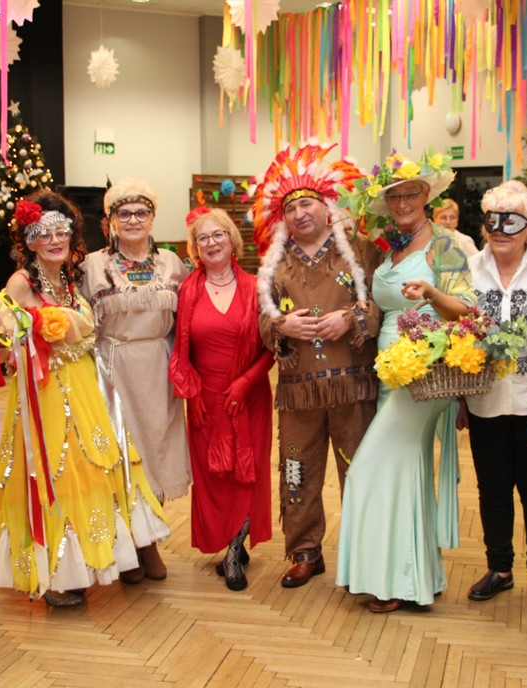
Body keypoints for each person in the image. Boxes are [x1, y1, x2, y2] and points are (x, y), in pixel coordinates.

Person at [0, 191, 169, 607]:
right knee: (59, 474)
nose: (53, 240)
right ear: (29, 241)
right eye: (42, 233)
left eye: (60, 231)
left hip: (86, 386)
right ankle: (58, 575)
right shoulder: (21, 281)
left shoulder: (69, 277)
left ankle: (98, 561)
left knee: (96, 469)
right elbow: (7, 332)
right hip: (46, 394)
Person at [336, 151, 475, 613]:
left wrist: (432, 294)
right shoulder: (393, 246)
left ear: (427, 194)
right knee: (404, 470)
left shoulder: (445, 246)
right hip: (388, 371)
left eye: (410, 193)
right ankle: (412, 577)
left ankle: (391, 577)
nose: (402, 203)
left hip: (424, 370)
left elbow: (468, 310)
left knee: (370, 469)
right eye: (394, 196)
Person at [251, 144, 382, 588]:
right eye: (290, 208)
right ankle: (304, 550)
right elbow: (262, 320)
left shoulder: (360, 252)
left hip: (353, 387)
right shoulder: (275, 264)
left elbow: (384, 307)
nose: (299, 214)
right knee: (296, 469)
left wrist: (351, 318)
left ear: (327, 207)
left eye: (307, 204)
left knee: (359, 470)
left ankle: (366, 553)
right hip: (298, 392)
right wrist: (282, 326)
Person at [459, 181, 527, 608]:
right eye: (493, 221)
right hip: (484, 400)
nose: (500, 230)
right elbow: (457, 333)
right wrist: (461, 398)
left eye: (512, 221)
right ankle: (499, 568)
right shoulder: (469, 268)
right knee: (492, 490)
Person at [82, 178, 191, 583]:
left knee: (155, 452)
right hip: (112, 367)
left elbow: (191, 316)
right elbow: (75, 316)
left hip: (159, 369)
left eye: (140, 212)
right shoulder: (93, 265)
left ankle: (150, 541)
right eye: (123, 213)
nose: (132, 219)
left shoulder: (172, 263)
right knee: (122, 455)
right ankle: (129, 545)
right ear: (110, 220)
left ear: (152, 217)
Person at [169, 207, 273, 591]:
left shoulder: (257, 288)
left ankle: (233, 553)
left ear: (232, 240)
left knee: (247, 474)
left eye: (218, 234)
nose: (211, 242)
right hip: (204, 399)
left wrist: (246, 382)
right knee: (214, 478)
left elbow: (272, 347)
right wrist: (192, 392)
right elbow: (180, 348)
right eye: (203, 238)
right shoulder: (187, 290)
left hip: (249, 397)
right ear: (195, 248)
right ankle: (231, 537)